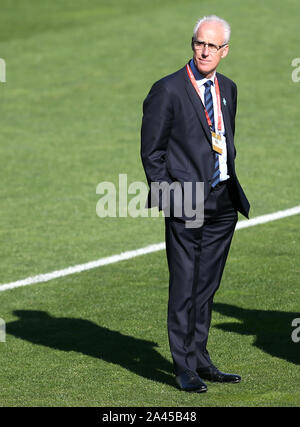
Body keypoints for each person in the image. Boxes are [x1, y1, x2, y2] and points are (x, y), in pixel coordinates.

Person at [141, 15, 250, 393]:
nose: (204, 51)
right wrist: (172, 197)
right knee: (184, 283)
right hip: (185, 202)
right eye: (199, 43)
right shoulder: (167, 90)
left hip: (222, 201)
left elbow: (224, 138)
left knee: (207, 284)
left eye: (212, 46)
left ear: (225, 51)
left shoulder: (228, 89)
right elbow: (152, 154)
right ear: (193, 44)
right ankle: (183, 365)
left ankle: (201, 358)